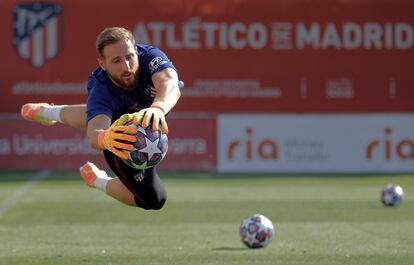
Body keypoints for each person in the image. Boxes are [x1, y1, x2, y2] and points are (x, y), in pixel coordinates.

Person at [21, 27, 182, 210]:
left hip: (147, 115)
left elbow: (170, 85)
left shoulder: (151, 57)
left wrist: (158, 109)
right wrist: (105, 138)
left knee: (109, 113)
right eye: (116, 61)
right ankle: (97, 179)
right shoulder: (101, 88)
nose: (126, 67)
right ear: (103, 64)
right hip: (123, 138)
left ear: (136, 51)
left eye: (129, 57)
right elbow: (95, 130)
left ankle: (47, 112)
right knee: (154, 200)